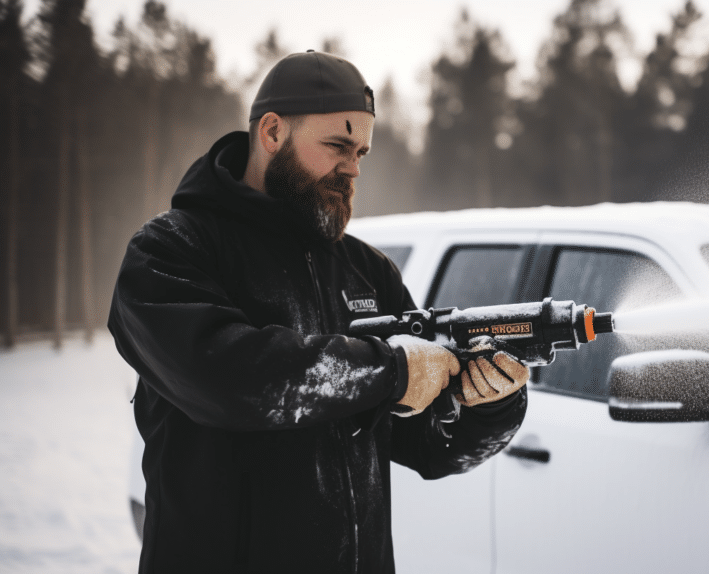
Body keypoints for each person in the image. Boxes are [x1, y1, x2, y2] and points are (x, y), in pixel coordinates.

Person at [107, 51, 529, 574]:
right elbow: (229, 378)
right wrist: (389, 371)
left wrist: (488, 402)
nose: (352, 167)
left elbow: (430, 444)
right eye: (337, 145)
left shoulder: (368, 272)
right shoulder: (170, 251)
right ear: (272, 132)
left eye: (361, 153)